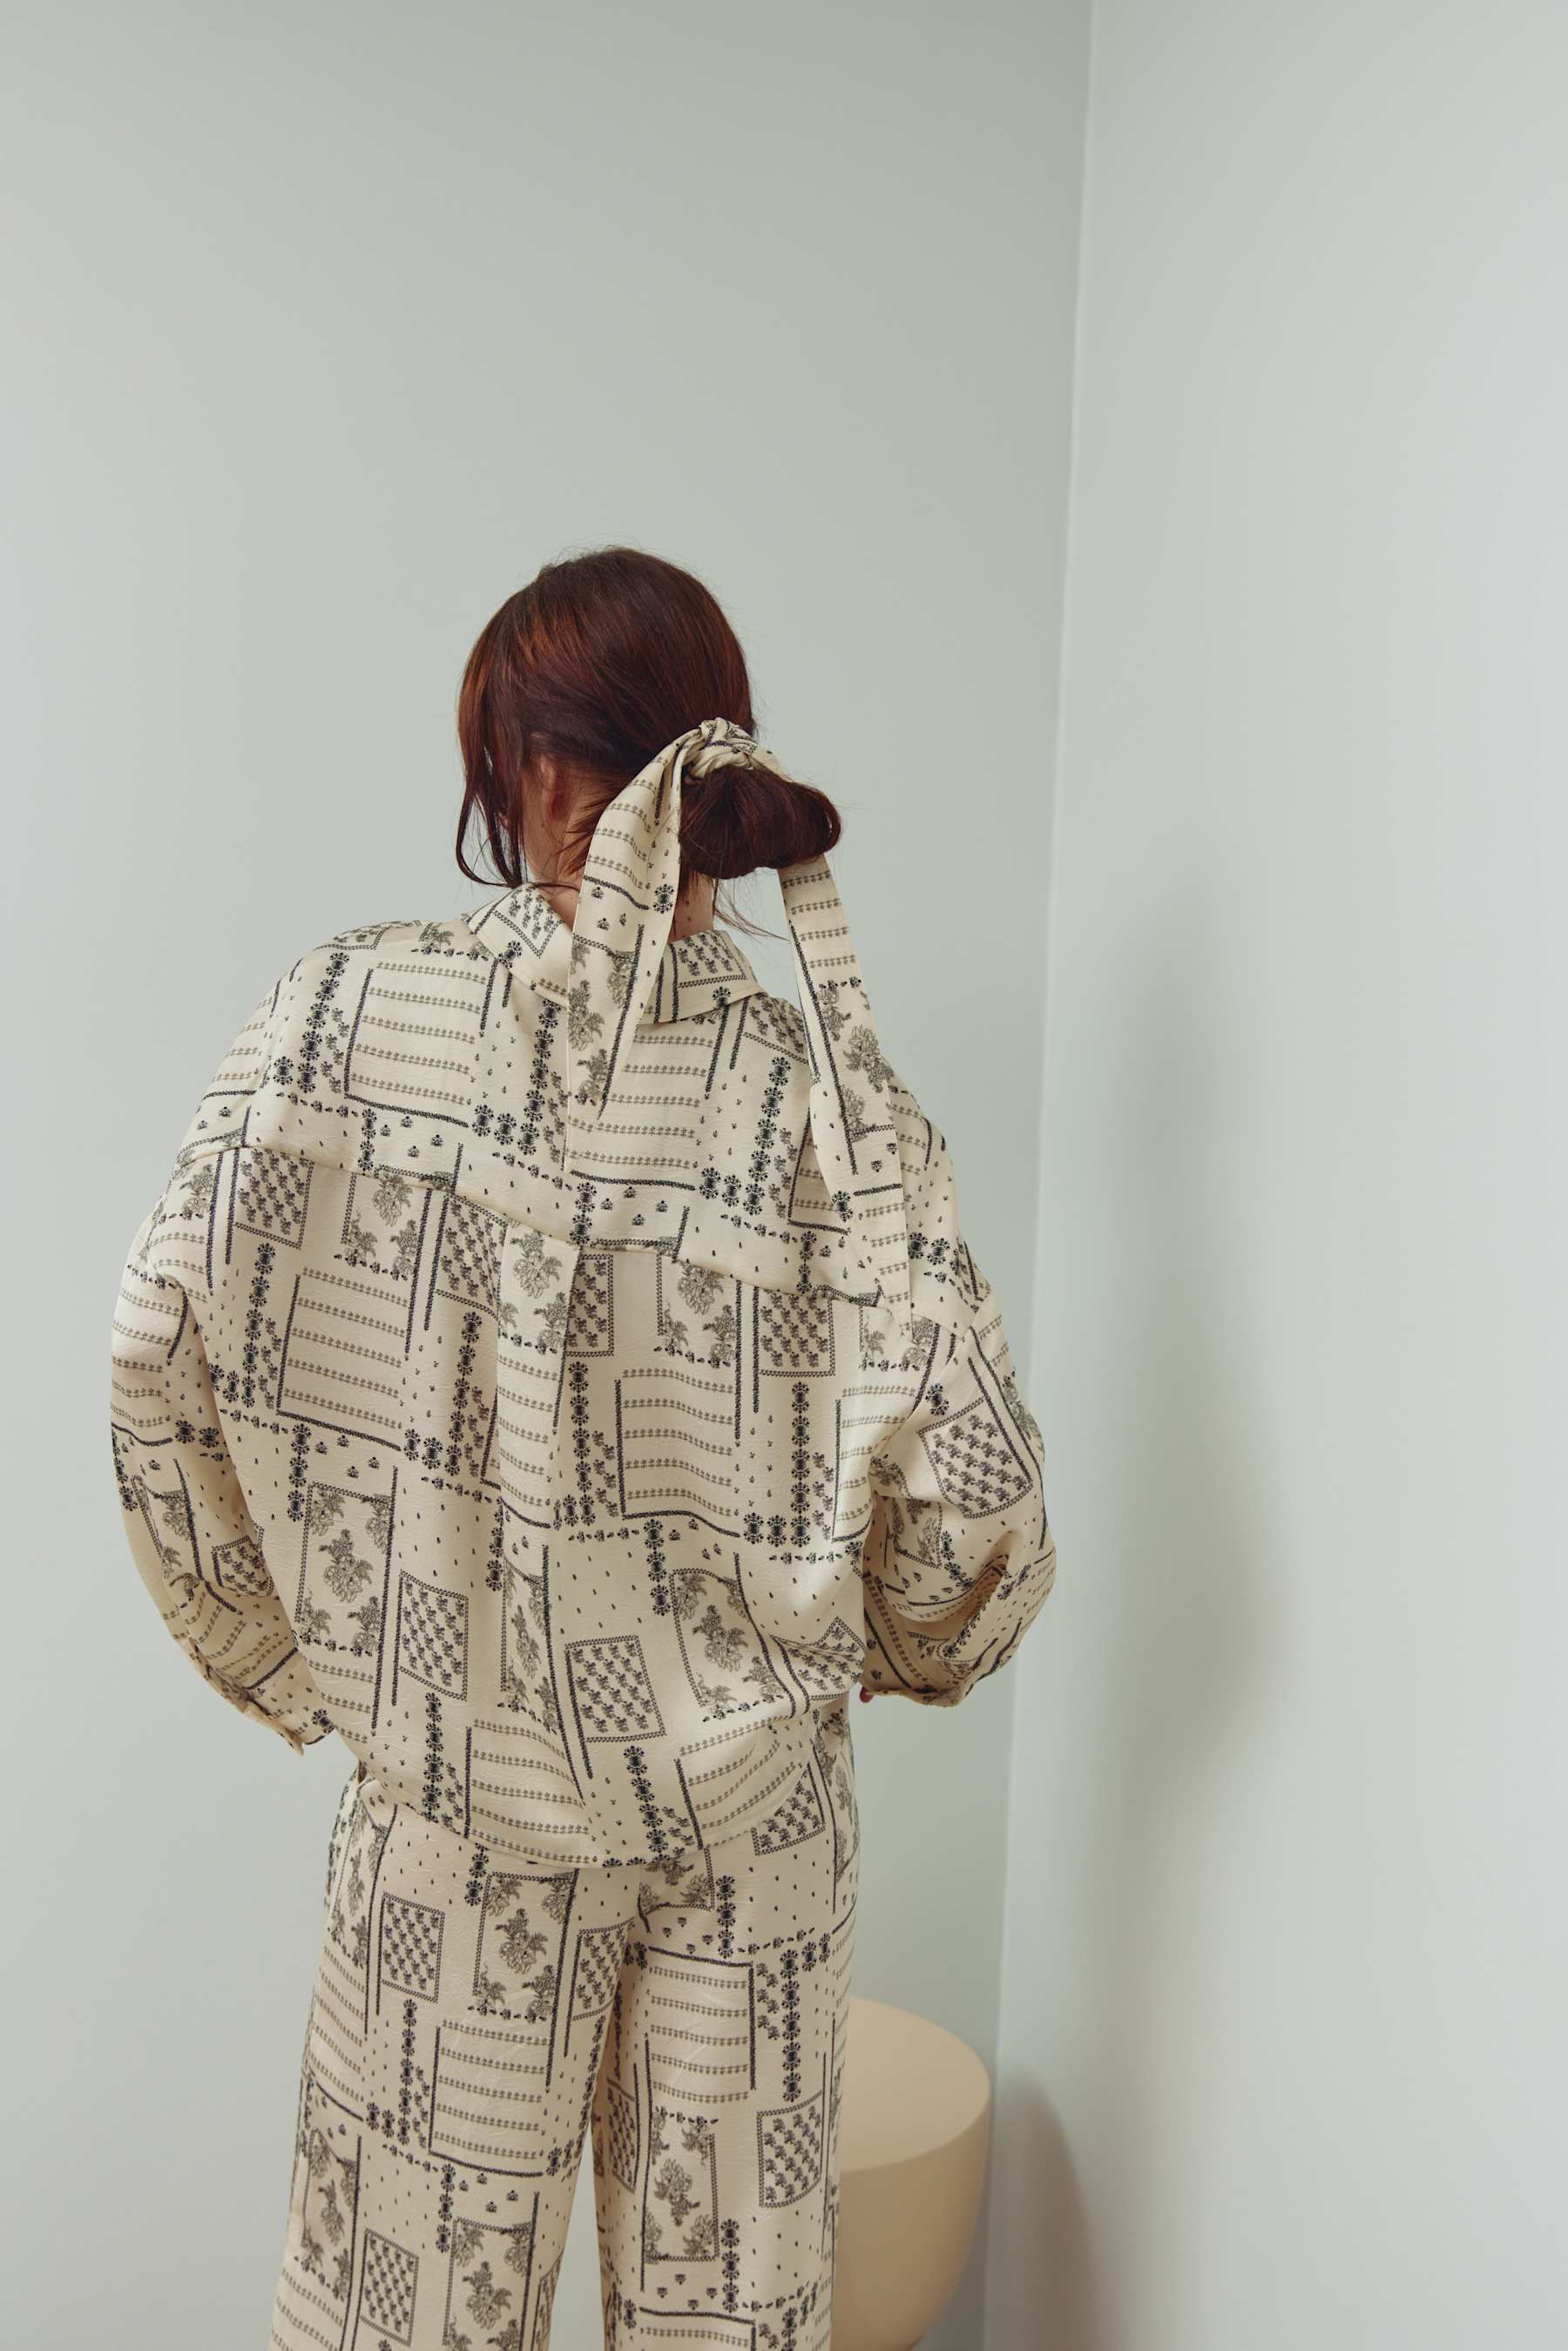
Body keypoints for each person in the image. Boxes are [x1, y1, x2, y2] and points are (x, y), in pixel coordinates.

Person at [109, 544, 1058, 2349]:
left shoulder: (343, 1023)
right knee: (726, 2324)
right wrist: (880, 1651)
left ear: (528, 767)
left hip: (455, 1812)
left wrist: (305, 1658)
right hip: (755, 1829)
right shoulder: (824, 1099)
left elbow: (156, 1362)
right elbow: (976, 1508)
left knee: (406, 2324)